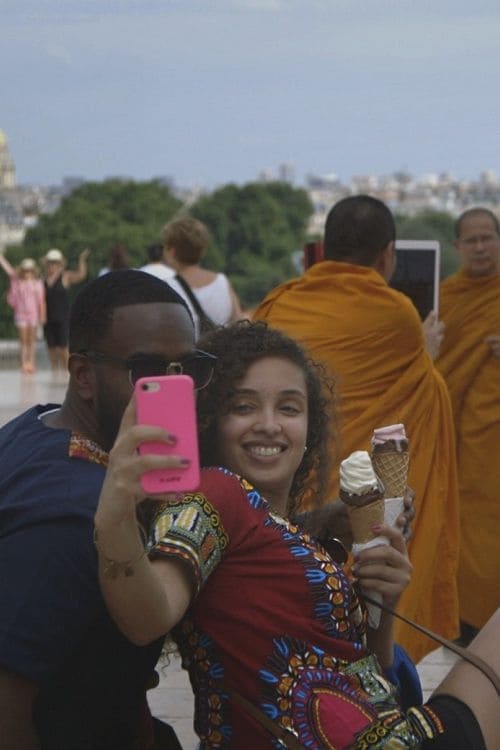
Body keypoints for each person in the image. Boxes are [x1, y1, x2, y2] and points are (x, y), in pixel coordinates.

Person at [93, 319, 499, 749]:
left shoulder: (287, 532)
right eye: (243, 406)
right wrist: (114, 514)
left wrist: (384, 603)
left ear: (310, 429)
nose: (269, 425)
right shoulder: (214, 493)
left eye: (289, 408)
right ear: (210, 419)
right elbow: (147, 617)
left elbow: (368, 679)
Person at [0, 270, 202, 749]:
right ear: (83, 376)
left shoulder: (40, 424)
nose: (174, 388)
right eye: (146, 370)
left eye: (188, 368)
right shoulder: (75, 517)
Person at [253, 195, 460, 663]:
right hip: (358, 503)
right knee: (358, 614)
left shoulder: (280, 303)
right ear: (387, 254)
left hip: (288, 488)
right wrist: (427, 353)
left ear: (323, 249)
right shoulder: (397, 315)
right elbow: (421, 391)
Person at [435, 207, 500, 643]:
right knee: (462, 518)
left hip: (491, 432)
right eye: (471, 240)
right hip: (451, 429)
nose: (480, 247)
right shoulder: (446, 297)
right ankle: (467, 617)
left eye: (488, 238)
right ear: (457, 247)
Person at [162, 215, 243, 329]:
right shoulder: (222, 282)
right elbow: (239, 322)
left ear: (172, 251)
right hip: (218, 346)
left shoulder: (167, 287)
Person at [42, 246, 90, 373]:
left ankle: (68, 374)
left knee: (63, 348)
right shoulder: (43, 279)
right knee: (51, 348)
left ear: (59, 264)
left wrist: (82, 260)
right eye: (50, 263)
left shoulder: (65, 276)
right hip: (48, 318)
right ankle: (55, 373)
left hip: (62, 317)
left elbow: (81, 275)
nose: (52, 265)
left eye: (54, 263)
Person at [0, 252, 45, 373]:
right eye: (25, 270)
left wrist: (42, 316)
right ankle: (24, 363)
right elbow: (8, 270)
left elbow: (41, 301)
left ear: (33, 271)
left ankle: (32, 362)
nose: (27, 272)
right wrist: (1, 258)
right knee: (23, 341)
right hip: (21, 314)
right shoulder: (17, 281)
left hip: (33, 314)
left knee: (32, 341)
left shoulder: (37, 283)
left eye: (30, 270)